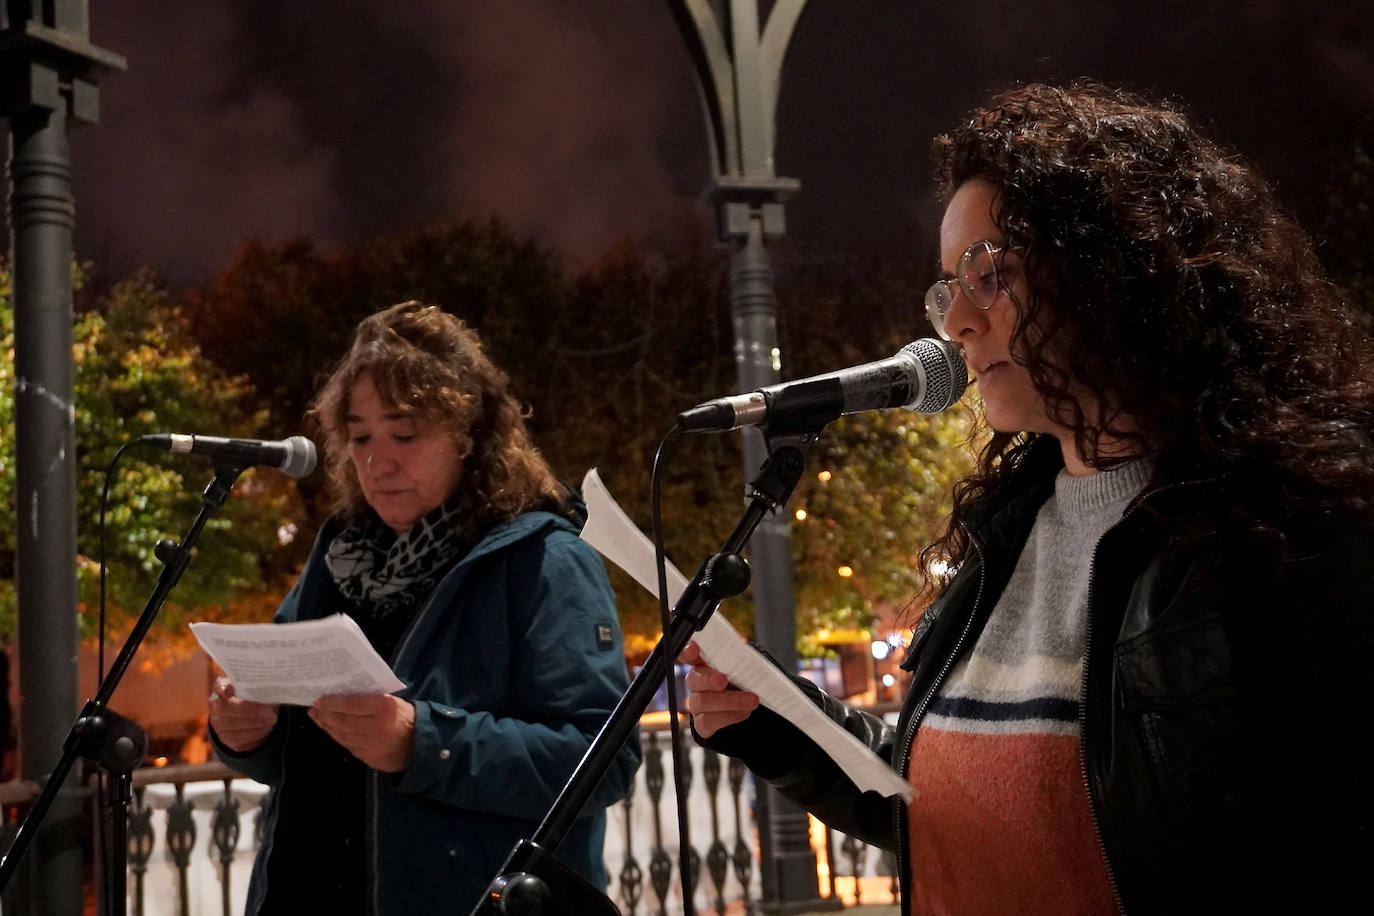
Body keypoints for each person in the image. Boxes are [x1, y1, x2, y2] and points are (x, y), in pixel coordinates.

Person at [683, 81, 1374, 914]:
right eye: (948, 288)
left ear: (1120, 268)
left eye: (991, 274)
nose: (957, 324)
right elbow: (952, 807)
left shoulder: (1290, 528)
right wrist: (774, 725)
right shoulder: (1003, 533)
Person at [208, 301, 640, 914]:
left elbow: (605, 759)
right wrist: (244, 733)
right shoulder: (341, 553)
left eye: (405, 433)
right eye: (359, 436)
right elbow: (293, 741)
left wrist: (424, 742)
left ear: (466, 435)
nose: (377, 461)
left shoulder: (544, 558)